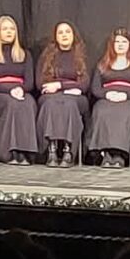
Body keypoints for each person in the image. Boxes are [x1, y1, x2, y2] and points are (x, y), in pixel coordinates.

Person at [86, 27, 130, 168]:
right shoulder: (103, 64)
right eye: (117, 42)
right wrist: (107, 94)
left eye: (124, 42)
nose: (120, 45)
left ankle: (119, 154)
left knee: (126, 113)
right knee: (101, 111)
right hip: (107, 99)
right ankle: (106, 154)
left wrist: (126, 95)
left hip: (129, 100)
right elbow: (95, 88)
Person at [0, 15, 38, 164]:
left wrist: (20, 89)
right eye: (5, 29)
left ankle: (25, 152)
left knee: (28, 103)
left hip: (20, 92)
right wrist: (10, 90)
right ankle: (9, 153)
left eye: (12, 29)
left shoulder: (25, 54)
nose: (9, 32)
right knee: (12, 104)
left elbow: (29, 83)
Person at [36, 21, 91, 168]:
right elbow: (40, 83)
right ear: (55, 36)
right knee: (51, 103)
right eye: (60, 32)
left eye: (67, 32)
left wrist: (60, 85)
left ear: (73, 35)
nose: (64, 35)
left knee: (69, 104)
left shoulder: (81, 56)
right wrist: (65, 85)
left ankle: (68, 150)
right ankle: (52, 150)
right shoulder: (47, 56)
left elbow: (84, 84)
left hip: (75, 98)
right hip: (51, 96)